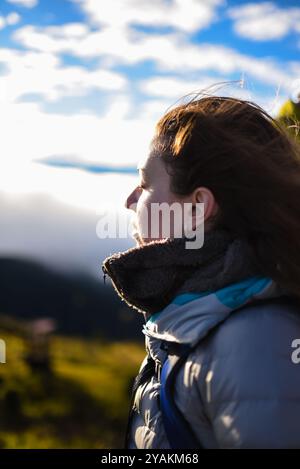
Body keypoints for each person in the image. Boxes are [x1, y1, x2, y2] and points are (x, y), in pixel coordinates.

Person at [102, 93, 300, 449]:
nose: (129, 200)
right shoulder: (203, 318)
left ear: (196, 209)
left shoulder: (255, 344)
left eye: (146, 183)